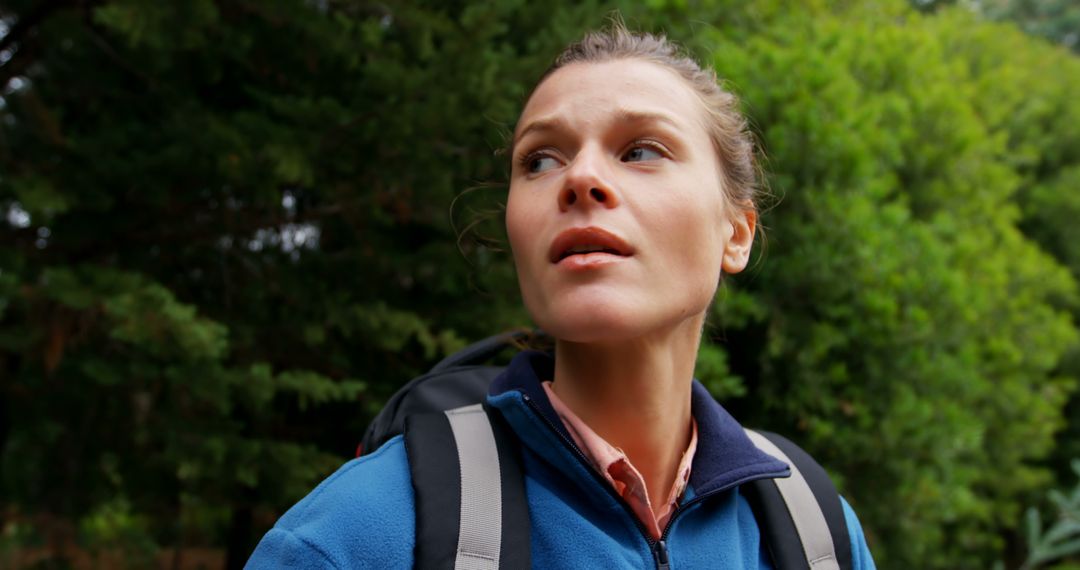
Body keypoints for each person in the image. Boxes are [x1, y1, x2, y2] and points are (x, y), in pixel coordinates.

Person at [246, 22, 876, 569]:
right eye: (540, 161)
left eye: (641, 150)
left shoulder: (814, 530)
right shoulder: (352, 536)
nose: (580, 179)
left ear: (734, 233)